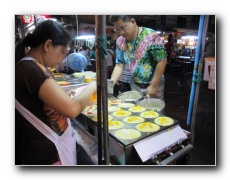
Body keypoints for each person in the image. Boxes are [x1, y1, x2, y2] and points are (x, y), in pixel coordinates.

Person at [15, 20, 97, 165]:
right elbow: (72, 110)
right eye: (63, 52)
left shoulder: (32, 67)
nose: (62, 58)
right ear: (47, 45)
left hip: (43, 148)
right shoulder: (31, 70)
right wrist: (93, 85)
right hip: (46, 154)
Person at [109, 15, 167, 100]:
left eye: (123, 27)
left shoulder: (150, 36)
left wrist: (154, 85)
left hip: (155, 83)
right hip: (135, 83)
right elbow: (119, 65)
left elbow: (162, 61)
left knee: (154, 111)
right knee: (136, 109)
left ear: (133, 22)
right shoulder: (120, 41)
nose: (121, 32)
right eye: (117, 29)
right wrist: (110, 86)